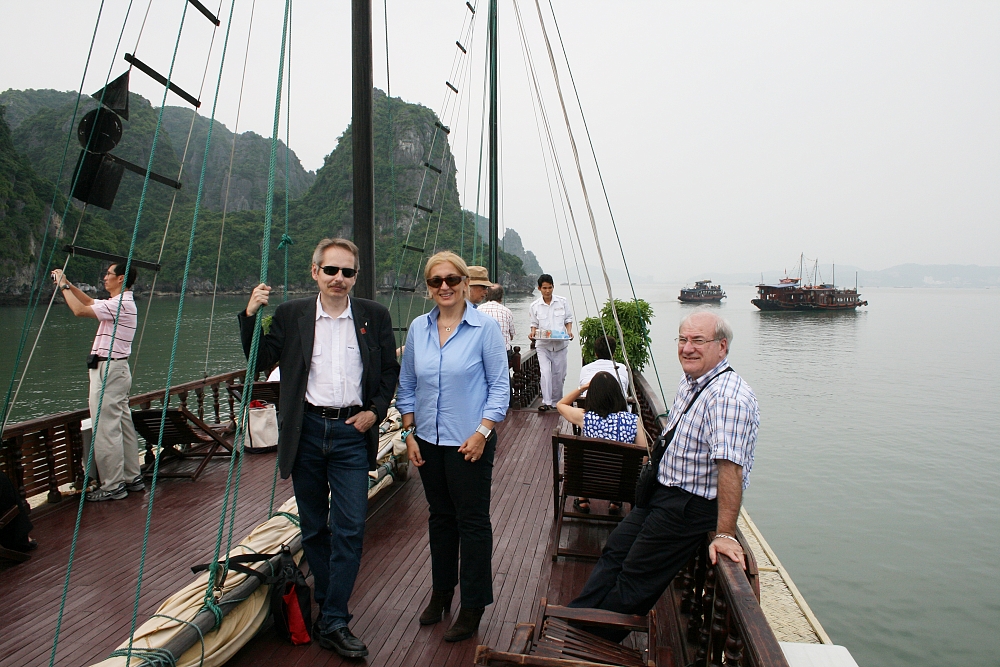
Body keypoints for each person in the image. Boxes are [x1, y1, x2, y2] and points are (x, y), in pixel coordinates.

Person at [238, 238, 399, 658]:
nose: (338, 278)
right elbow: (260, 360)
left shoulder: (374, 316)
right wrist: (251, 315)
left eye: (347, 272)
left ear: (355, 276)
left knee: (350, 527)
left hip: (351, 432)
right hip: (307, 430)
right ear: (315, 272)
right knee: (313, 528)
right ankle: (331, 614)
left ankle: (333, 618)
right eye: (331, 270)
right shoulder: (292, 315)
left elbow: (388, 372)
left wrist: (375, 412)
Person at [568, 311, 759, 641]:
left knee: (636, 576)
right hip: (661, 491)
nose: (687, 347)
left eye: (698, 340)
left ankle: (592, 640)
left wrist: (725, 534)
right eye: (683, 340)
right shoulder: (692, 382)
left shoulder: (727, 398)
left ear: (722, 346)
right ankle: (574, 619)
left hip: (687, 506)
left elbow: (731, 468)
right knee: (616, 550)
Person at [397, 251, 509, 643]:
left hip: (469, 442)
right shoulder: (418, 328)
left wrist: (483, 433)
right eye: (435, 281)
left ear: (464, 282)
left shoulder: (484, 329)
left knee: (472, 523)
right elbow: (407, 385)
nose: (444, 286)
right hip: (428, 440)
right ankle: (442, 592)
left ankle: (473, 605)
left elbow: (500, 387)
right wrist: (408, 432)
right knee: (440, 518)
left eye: (451, 279)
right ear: (429, 288)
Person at [51, 263, 143, 502]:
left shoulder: (120, 304)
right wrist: (69, 284)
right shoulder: (120, 303)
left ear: (121, 278)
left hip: (108, 370)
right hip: (117, 369)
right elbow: (90, 301)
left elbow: (80, 310)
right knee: (122, 423)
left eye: (108, 274)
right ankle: (132, 476)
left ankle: (113, 485)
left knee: (105, 428)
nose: (104, 277)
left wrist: (62, 287)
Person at [557, 371, 648, 515]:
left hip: (588, 482)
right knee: (620, 466)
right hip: (621, 485)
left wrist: (583, 388)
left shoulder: (585, 418)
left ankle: (583, 500)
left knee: (585, 461)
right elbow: (644, 457)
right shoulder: (633, 421)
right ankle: (615, 502)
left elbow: (560, 404)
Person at [529, 274, 574, 412]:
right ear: (539, 288)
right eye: (544, 288)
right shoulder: (534, 306)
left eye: (550, 288)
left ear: (553, 287)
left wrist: (569, 332)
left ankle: (556, 402)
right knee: (545, 373)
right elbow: (534, 324)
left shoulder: (562, 302)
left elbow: (568, 319)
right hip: (543, 345)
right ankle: (546, 401)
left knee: (559, 375)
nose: (547, 291)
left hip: (560, 345)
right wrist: (532, 333)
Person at [477, 283, 515, 351]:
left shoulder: (478, 309)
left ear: (487, 294)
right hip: (503, 351)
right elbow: (511, 335)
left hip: (482, 350)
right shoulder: (507, 311)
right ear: (501, 296)